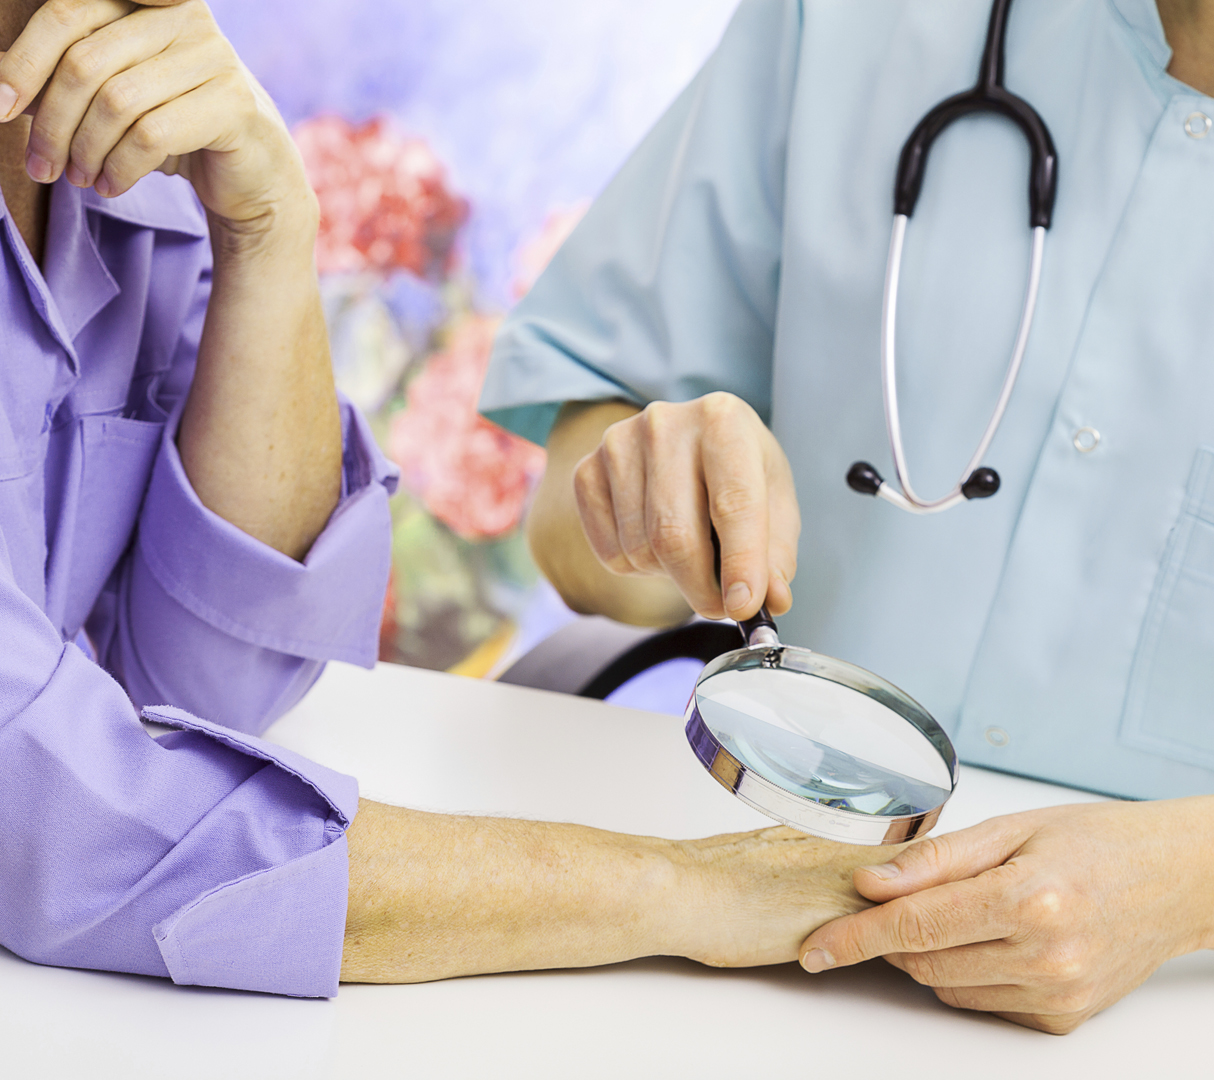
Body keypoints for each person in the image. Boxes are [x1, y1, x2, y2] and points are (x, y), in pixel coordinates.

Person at [484, 0, 1214, 1034]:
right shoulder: (851, 23)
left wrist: (1209, 882)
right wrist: (655, 500)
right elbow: (578, 535)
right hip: (764, 952)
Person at [0, 0, 881, 999]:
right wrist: (683, 889)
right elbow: (55, 826)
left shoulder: (126, 155)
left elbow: (211, 685)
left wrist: (273, 227)